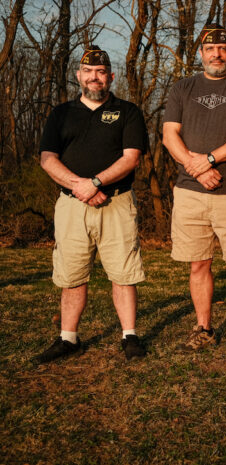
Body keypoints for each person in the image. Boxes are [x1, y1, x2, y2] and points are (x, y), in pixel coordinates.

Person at [35, 46, 148, 363]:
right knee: (71, 275)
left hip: (117, 203)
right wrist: (80, 186)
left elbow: (131, 157)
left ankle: (130, 336)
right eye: (88, 71)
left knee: (123, 273)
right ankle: (68, 339)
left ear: (110, 77)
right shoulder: (61, 114)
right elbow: (47, 158)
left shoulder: (128, 111)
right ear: (78, 76)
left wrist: (96, 182)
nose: (94, 77)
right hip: (72, 206)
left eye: (101, 72)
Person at [162, 23, 226, 356]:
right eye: (210, 49)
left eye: (223, 49)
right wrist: (196, 167)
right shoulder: (182, 88)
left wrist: (208, 159)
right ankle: (203, 328)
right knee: (198, 264)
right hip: (191, 192)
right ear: (201, 53)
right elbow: (169, 136)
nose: (216, 54)